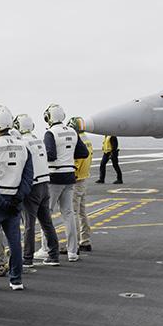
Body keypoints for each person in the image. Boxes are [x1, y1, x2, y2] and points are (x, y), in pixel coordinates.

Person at [0, 106, 33, 290]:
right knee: (15, 242)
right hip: (15, 199)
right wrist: (17, 199)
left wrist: (0, 201)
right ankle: (16, 279)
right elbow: (28, 178)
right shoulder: (24, 145)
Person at [43, 104, 89, 262]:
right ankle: (72, 251)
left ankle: (46, 248)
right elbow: (83, 152)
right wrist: (68, 154)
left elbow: (50, 155)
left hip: (55, 176)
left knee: (46, 214)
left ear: (49, 117)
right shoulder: (73, 131)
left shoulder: (50, 133)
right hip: (70, 176)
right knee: (68, 214)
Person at [14, 114, 60, 268]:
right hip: (44, 184)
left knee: (29, 225)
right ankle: (54, 255)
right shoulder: (38, 140)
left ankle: (27, 258)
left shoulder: (23, 142)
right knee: (47, 222)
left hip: (32, 187)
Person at [69, 117, 94, 252]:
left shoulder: (78, 140)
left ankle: (74, 245)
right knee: (82, 212)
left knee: (72, 212)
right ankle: (85, 240)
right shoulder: (87, 139)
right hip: (84, 178)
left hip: (77, 179)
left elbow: (77, 161)